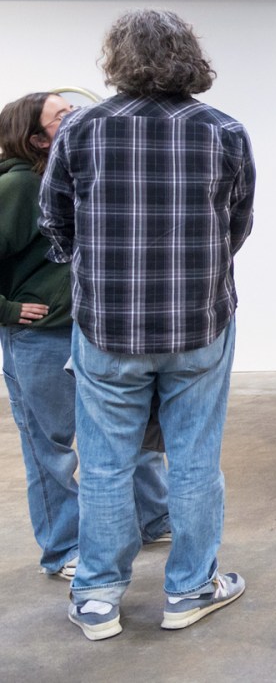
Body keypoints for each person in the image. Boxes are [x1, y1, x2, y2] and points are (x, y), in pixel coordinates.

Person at [40, 9, 256, 640]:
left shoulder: (82, 130)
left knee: (105, 462)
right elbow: (237, 223)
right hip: (200, 321)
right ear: (190, 55)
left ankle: (98, 597)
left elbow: (55, 219)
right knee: (194, 459)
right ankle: (190, 589)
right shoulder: (222, 130)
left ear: (117, 58)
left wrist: (95, 266)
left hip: (106, 323)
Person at [2, 93, 170, 587]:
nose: (76, 115)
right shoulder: (17, 186)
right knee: (50, 445)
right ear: (36, 138)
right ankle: (64, 547)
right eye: (62, 115)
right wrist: (8, 310)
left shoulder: (75, 175)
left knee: (132, 429)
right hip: (42, 338)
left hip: (93, 329)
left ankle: (154, 517)